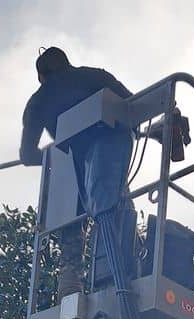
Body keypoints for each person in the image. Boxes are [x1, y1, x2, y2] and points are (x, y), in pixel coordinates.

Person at [19, 47, 136, 302]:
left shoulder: (38, 101)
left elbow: (27, 155)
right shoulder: (96, 77)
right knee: (118, 209)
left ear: (41, 76)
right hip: (108, 164)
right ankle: (122, 270)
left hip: (71, 172)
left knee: (71, 233)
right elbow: (134, 108)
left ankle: (70, 287)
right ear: (67, 64)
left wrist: (55, 158)